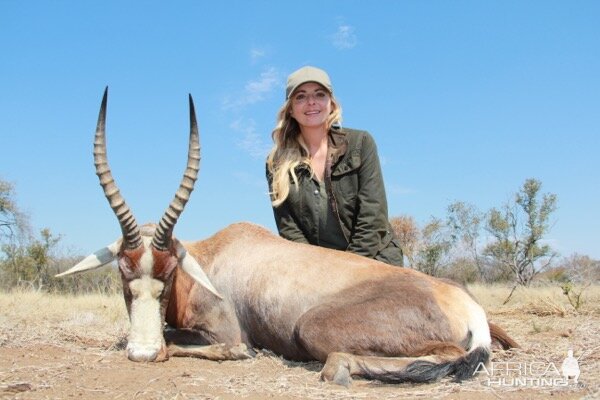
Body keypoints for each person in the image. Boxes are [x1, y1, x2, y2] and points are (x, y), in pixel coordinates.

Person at [266, 66, 403, 266]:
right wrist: (321, 272)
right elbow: (290, 230)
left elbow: (373, 217)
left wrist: (347, 270)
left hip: (375, 260)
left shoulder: (361, 143)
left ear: (331, 103)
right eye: (301, 96)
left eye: (319, 94)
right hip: (320, 270)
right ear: (291, 110)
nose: (311, 102)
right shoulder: (276, 164)